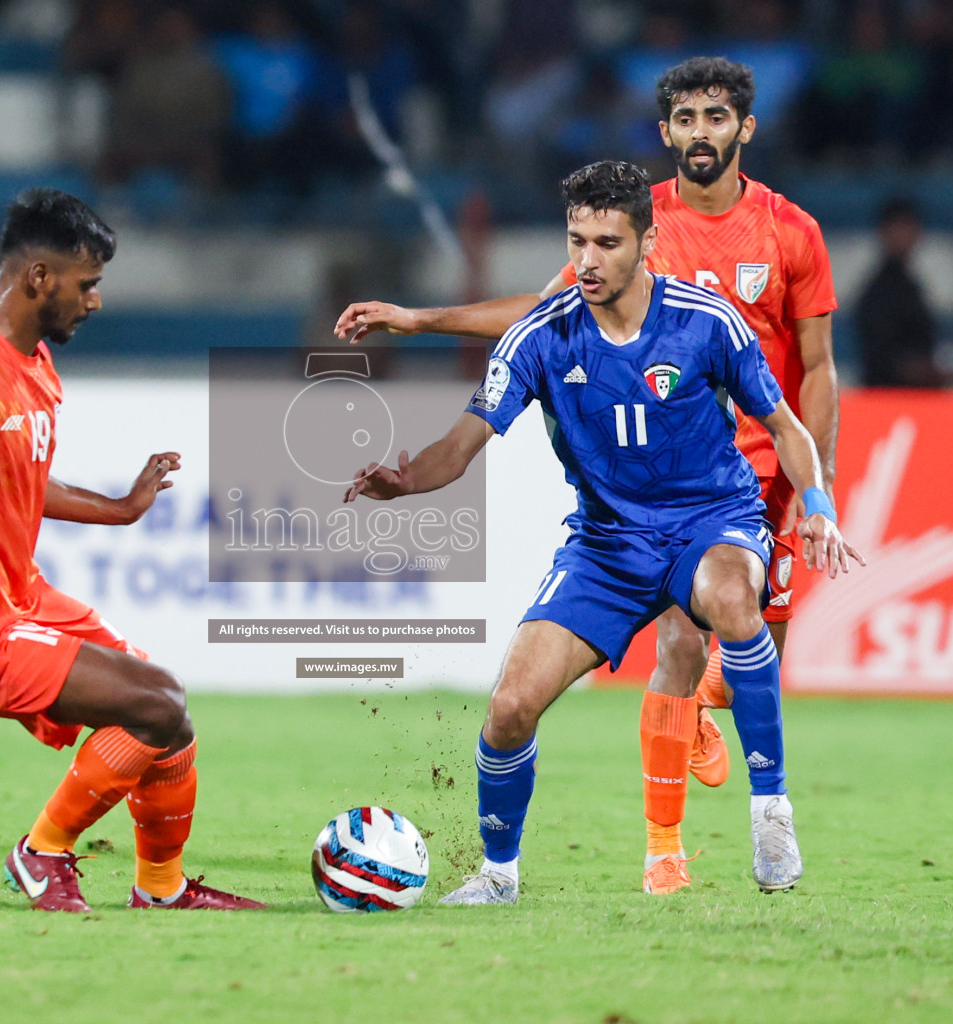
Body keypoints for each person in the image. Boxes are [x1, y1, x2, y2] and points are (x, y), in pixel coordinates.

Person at [333, 57, 839, 895]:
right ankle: (501, 874)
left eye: (606, 243)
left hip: (715, 510)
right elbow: (461, 444)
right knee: (507, 708)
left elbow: (788, 410)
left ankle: (768, 815)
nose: (588, 259)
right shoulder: (543, 336)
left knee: (726, 604)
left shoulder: (718, 309)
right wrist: (404, 478)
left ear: (647, 243)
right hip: (606, 541)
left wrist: (815, 499)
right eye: (577, 244)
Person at [0, 188, 262, 913]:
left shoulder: (37, 362)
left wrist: (118, 509)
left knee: (166, 716)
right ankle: (41, 852)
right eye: (89, 284)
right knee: (156, 705)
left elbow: (12, 476)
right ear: (39, 278)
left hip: (18, 599)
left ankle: (162, 888)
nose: (96, 301)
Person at [856, 198, 947, 388]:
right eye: (898, 227)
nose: (906, 235)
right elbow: (881, 357)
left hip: (917, 397)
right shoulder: (878, 291)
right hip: (886, 397)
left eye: (910, 227)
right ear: (884, 232)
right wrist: (921, 370)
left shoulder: (911, 284)